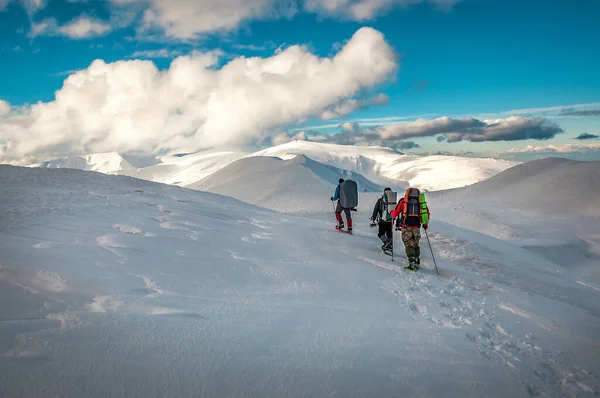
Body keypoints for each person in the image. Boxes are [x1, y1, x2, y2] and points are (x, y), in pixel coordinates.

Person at [391, 188, 430, 270]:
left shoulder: (403, 201)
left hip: (406, 226)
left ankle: (412, 262)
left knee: (408, 244)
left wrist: (391, 213)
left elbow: (396, 213)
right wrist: (425, 224)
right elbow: (425, 213)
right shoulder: (420, 202)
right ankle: (417, 262)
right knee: (416, 243)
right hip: (417, 227)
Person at [369, 187, 395, 254]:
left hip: (382, 220)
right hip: (391, 220)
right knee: (389, 234)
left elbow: (375, 210)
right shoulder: (393, 200)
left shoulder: (380, 200)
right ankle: (390, 245)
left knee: (381, 234)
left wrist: (373, 219)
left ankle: (387, 243)